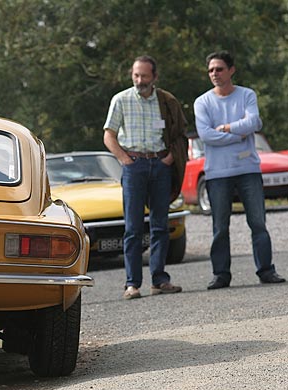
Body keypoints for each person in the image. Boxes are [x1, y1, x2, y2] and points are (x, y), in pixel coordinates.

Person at [193, 50, 285, 289]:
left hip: (248, 169)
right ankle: (221, 275)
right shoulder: (202, 102)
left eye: (219, 69)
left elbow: (254, 122)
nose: (214, 74)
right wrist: (238, 134)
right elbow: (206, 136)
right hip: (217, 172)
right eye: (211, 70)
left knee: (258, 223)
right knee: (220, 227)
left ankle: (266, 271)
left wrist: (224, 127)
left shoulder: (246, 95)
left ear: (231, 70)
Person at [104, 55, 188, 300]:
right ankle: (132, 284)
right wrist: (123, 159)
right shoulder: (121, 99)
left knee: (161, 226)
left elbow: (180, 133)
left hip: (161, 165)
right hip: (134, 166)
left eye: (144, 76)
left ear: (155, 77)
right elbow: (109, 135)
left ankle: (160, 279)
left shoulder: (166, 101)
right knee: (133, 228)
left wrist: (170, 159)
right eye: (136, 75)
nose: (139, 80)